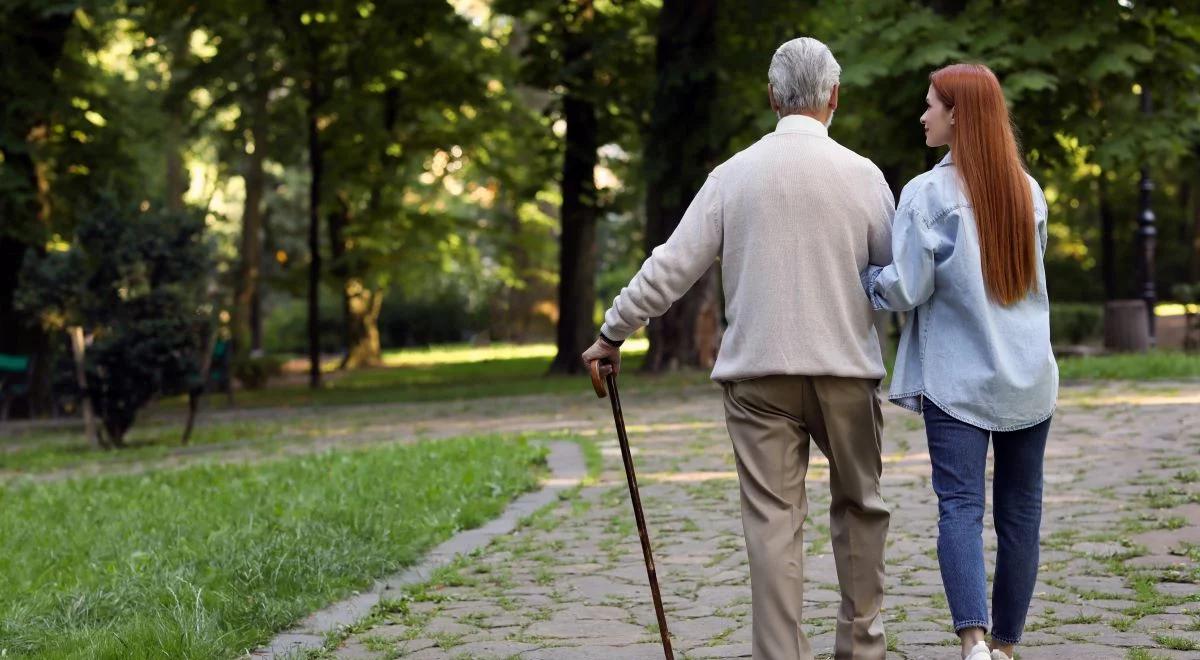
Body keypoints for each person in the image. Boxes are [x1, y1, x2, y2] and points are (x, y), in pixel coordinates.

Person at [582, 36, 895, 659]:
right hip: (846, 372)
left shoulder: (732, 176)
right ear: (834, 96)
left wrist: (614, 329)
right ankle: (862, 650)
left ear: (773, 97)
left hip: (759, 381)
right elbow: (899, 280)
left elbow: (672, 265)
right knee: (861, 510)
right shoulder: (864, 177)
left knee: (773, 525)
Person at [861, 63, 1058, 660]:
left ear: (957, 115)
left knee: (961, 508)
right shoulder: (1028, 191)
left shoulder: (927, 194)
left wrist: (867, 277)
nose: (922, 115)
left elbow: (906, 289)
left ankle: (972, 643)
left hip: (958, 379)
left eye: (931, 105)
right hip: (1030, 376)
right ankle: (1004, 647)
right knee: (1020, 514)